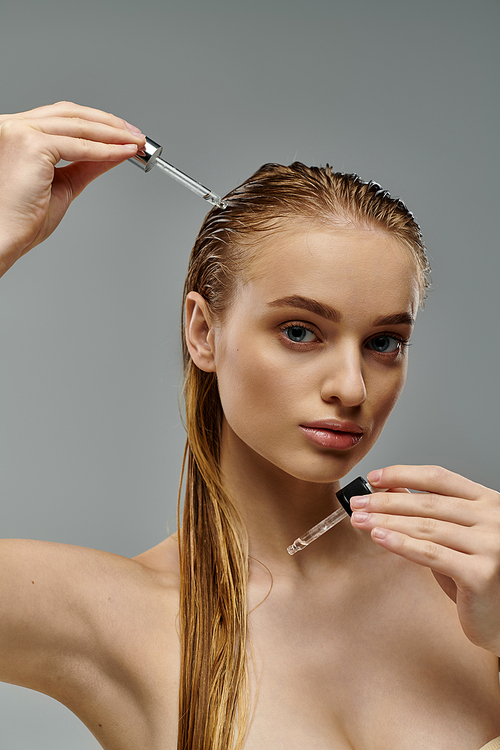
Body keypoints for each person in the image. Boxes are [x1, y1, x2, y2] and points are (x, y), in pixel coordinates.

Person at [1, 102, 500, 750]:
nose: (351, 387)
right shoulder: (113, 613)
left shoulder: (471, 582)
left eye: (383, 343)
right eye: (300, 331)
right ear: (203, 332)